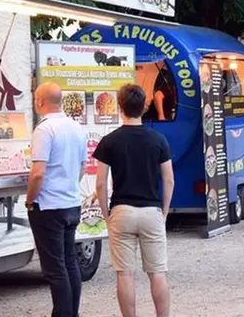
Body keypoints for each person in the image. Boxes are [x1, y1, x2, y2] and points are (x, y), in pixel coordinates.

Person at [94, 84, 174, 317]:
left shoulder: (109, 141)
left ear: (120, 108)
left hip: (122, 210)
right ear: (145, 106)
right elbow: (168, 180)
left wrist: (106, 214)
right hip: (151, 211)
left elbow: (100, 183)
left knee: (125, 273)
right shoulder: (158, 140)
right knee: (157, 272)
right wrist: (165, 212)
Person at [25, 83, 87, 317]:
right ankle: (72, 313)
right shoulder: (76, 127)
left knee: (55, 268)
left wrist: (30, 200)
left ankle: (62, 313)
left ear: (40, 102)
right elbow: (82, 168)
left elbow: (38, 172)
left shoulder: (44, 130)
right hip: (71, 202)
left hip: (49, 205)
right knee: (70, 262)